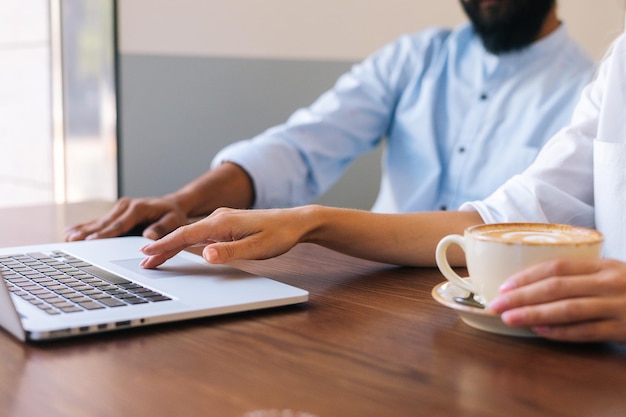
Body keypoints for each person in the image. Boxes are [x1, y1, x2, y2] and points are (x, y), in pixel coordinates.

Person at [137, 30, 626, 345]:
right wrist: (308, 220)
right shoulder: (617, 67)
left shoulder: (576, 79)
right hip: (392, 308)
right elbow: (497, 219)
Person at [66, 0, 594, 242]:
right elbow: (304, 142)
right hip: (366, 283)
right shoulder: (416, 57)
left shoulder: (587, 96)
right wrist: (185, 200)